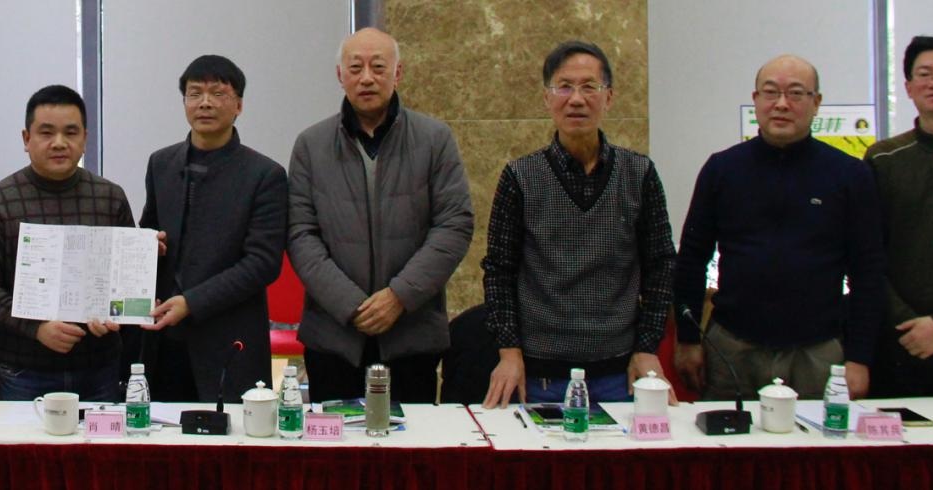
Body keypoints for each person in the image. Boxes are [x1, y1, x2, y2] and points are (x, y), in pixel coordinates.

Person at [674, 55, 885, 400]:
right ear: (756, 99)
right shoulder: (722, 169)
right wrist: (687, 339)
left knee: (817, 436)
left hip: (818, 350)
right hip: (732, 347)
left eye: (796, 93)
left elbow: (868, 271)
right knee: (728, 435)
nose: (782, 104)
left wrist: (860, 357)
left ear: (816, 103)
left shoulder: (850, 175)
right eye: (771, 92)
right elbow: (691, 260)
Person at [481, 42, 676, 408]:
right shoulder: (520, 176)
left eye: (589, 87)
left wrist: (648, 347)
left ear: (609, 97)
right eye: (564, 87)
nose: (576, 99)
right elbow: (499, 270)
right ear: (547, 98)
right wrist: (509, 351)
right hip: (540, 372)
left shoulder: (639, 173)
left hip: (621, 371)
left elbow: (661, 264)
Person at [288, 28, 474, 404]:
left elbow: (454, 225)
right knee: (336, 439)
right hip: (334, 338)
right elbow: (300, 233)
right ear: (340, 75)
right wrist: (350, 305)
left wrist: (398, 296)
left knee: (412, 439)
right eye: (355, 68)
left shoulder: (434, 139)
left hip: (411, 334)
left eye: (378, 67)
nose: (367, 78)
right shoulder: (311, 145)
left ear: (398, 73)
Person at [0, 85, 137, 402]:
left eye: (70, 132)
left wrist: (115, 316)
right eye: (46, 132)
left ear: (84, 138)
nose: (59, 143)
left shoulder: (110, 197)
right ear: (26, 139)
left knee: (102, 438)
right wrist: (36, 327)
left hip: (100, 367)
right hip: (24, 371)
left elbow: (125, 279)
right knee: (24, 438)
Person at [137, 55, 286, 402]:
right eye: (195, 93)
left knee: (231, 433)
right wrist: (148, 246)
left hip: (229, 338)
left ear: (239, 105)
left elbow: (262, 263)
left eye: (218, 93)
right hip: (164, 338)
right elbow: (149, 229)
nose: (205, 103)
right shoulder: (161, 163)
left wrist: (192, 302)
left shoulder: (265, 175)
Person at [865, 35, 933, 397]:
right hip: (898, 344)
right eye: (924, 74)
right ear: (909, 87)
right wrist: (907, 323)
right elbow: (866, 254)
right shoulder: (883, 159)